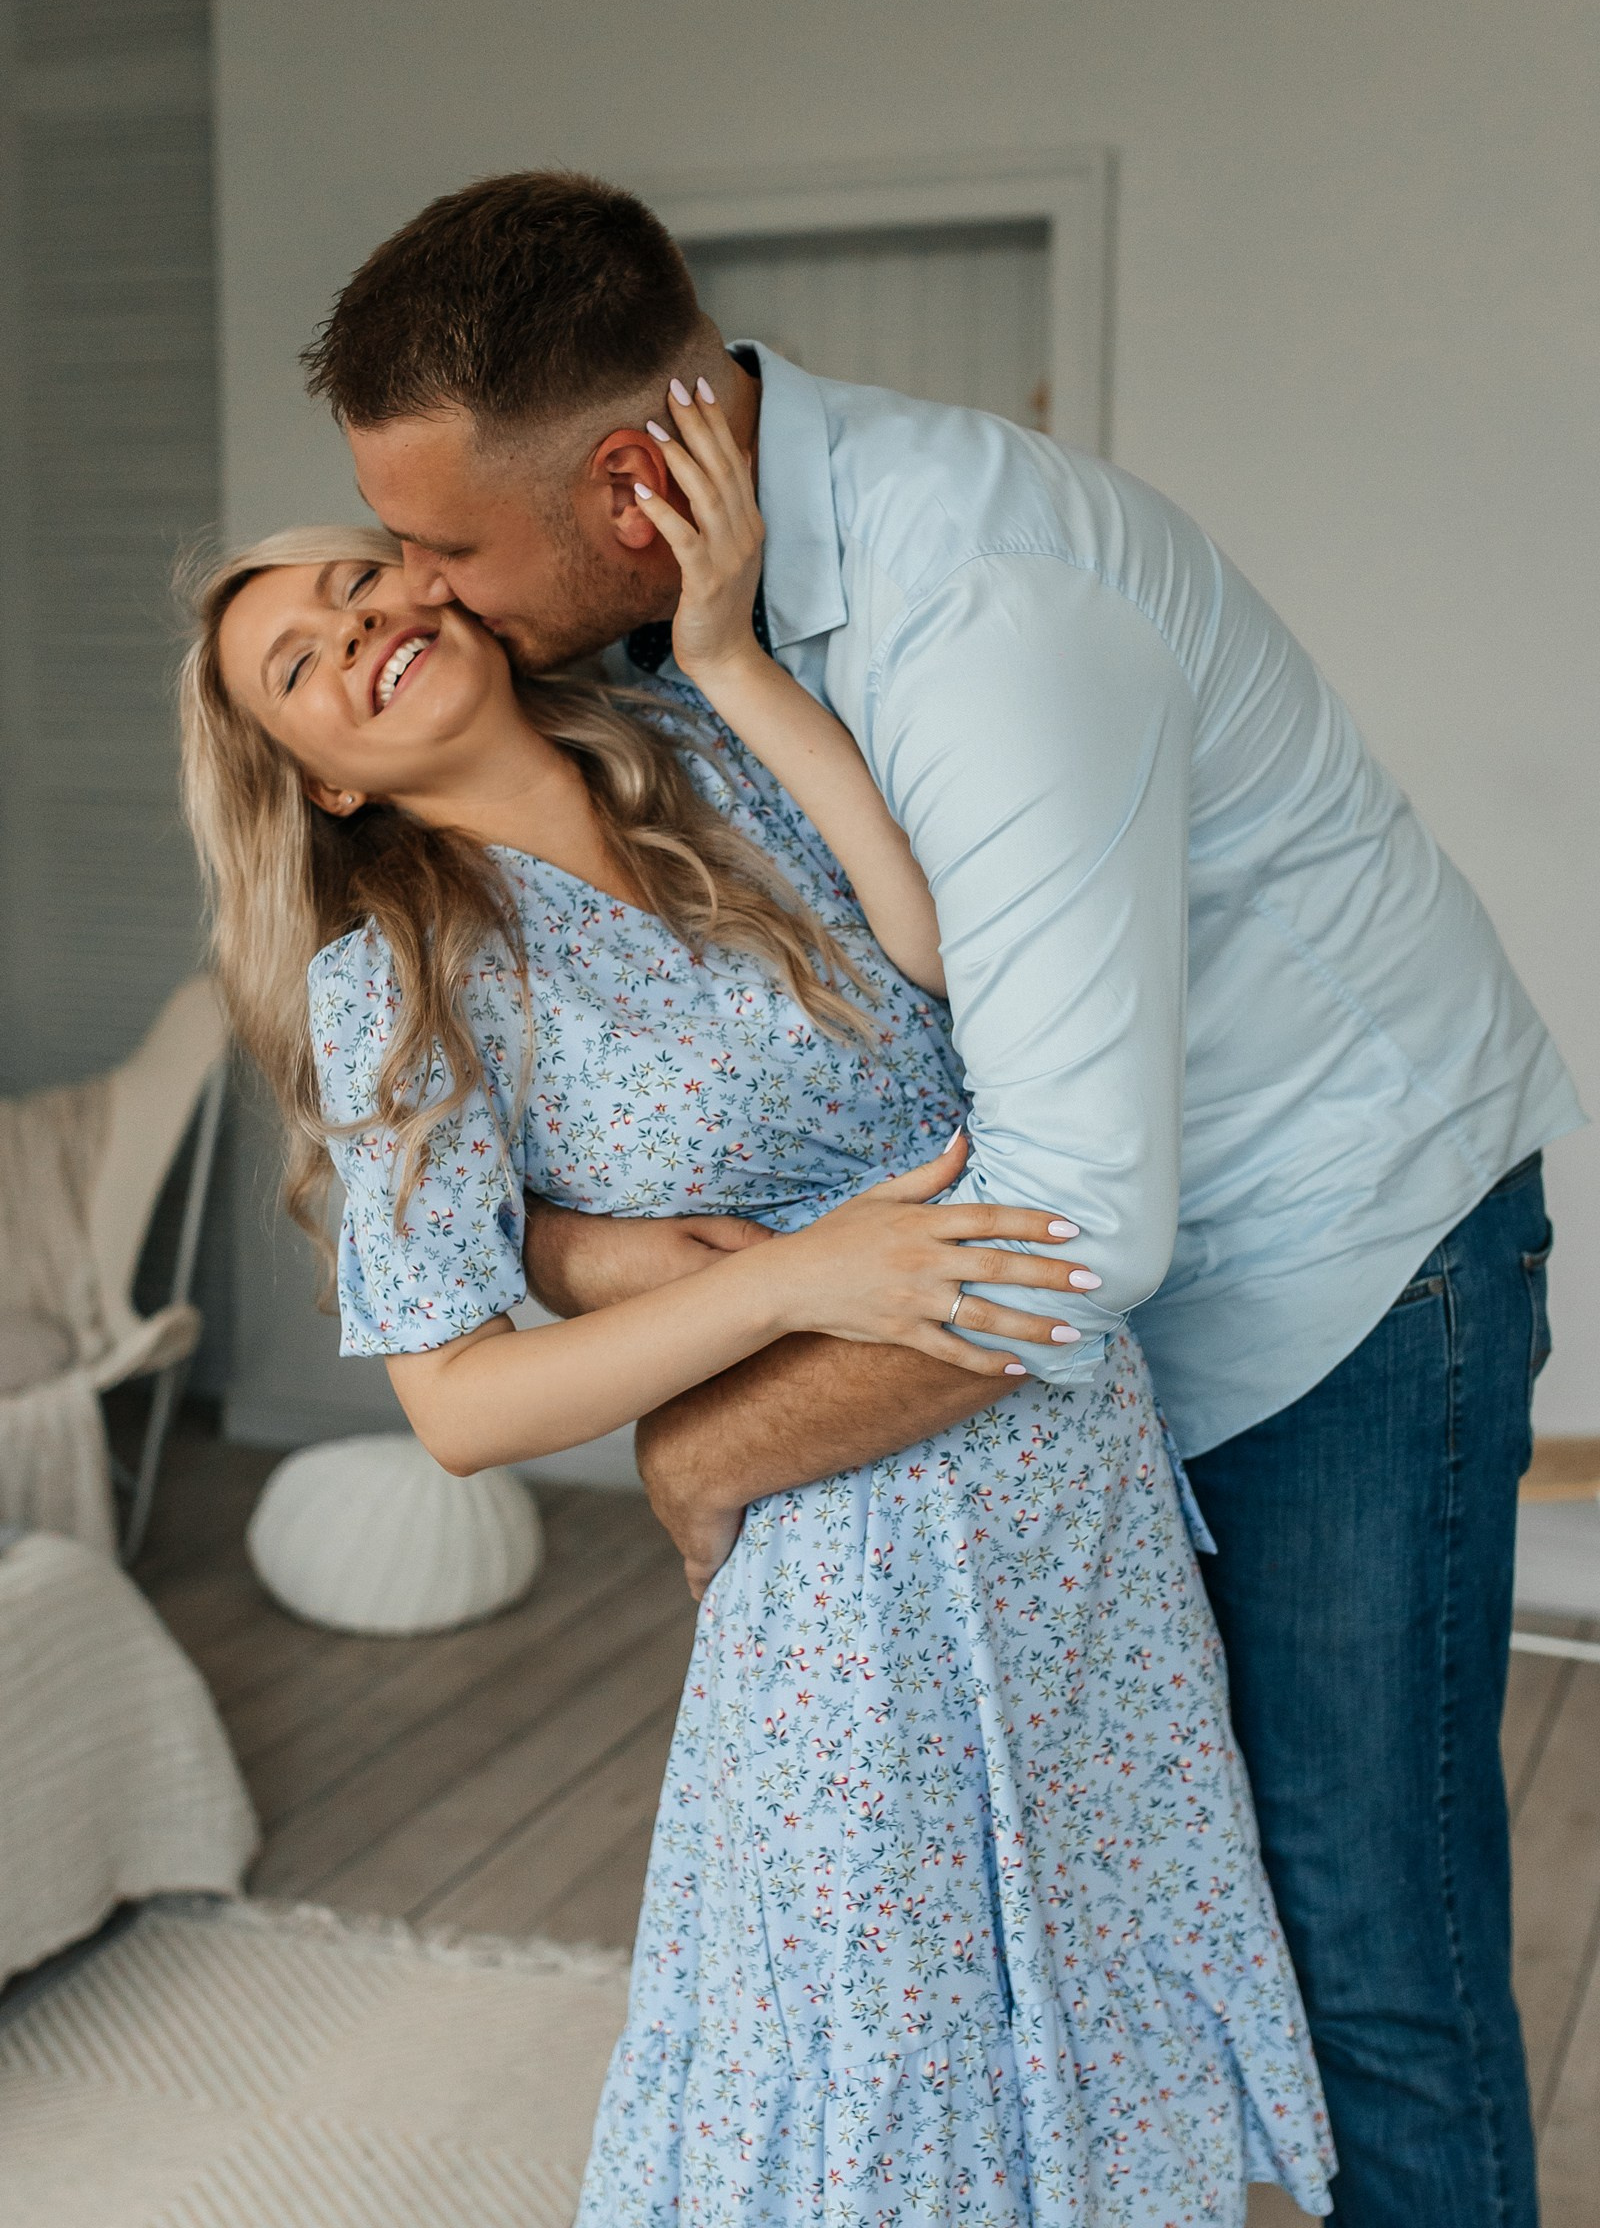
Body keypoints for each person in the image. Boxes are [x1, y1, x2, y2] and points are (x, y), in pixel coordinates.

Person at [298, 169, 1584, 2227]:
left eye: (443, 547)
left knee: (1365, 1952)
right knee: (1098, 1939)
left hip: (1336, 1258)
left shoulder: (977, 603)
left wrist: (707, 1447)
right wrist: (581, 1245)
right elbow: (651, 1072)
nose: (416, 597)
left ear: (626, 486)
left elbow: (1073, 1229)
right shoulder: (657, 664)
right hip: (1064, 1350)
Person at [177, 402, 1334, 2222]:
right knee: (876, 2051)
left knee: (1103, 1963)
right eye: (303, 666)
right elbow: (459, 1404)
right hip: (843, 1541)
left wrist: (723, 652)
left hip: (1070, 1469)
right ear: (321, 779)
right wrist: (793, 1278)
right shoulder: (402, 980)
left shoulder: (706, 743)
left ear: (440, 588)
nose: (360, 630)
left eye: (354, 585)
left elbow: (955, 952)